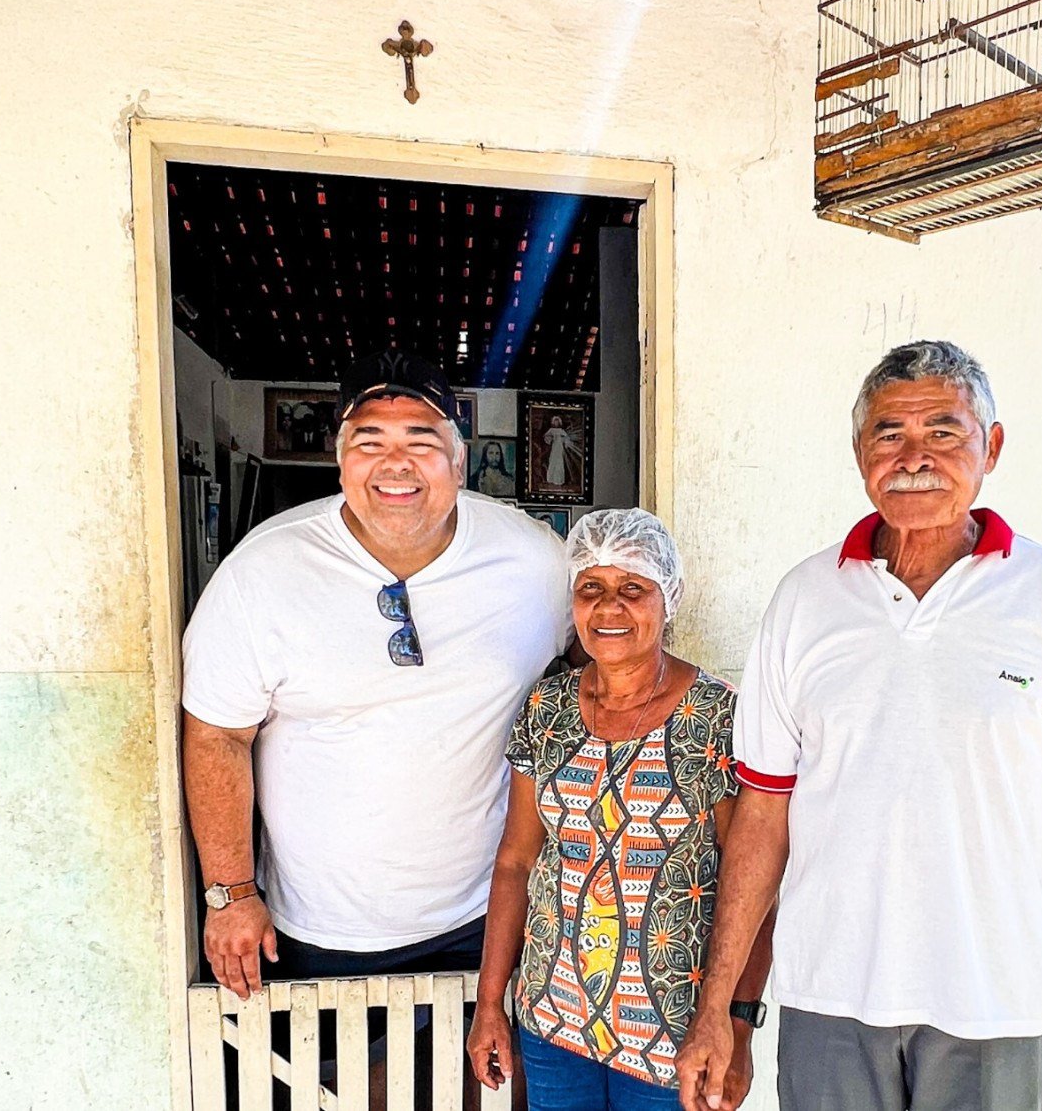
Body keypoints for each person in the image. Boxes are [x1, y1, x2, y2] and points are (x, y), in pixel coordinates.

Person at [676, 341, 1042, 1111]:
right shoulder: (804, 600)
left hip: (989, 999)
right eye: (889, 433)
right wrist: (720, 1006)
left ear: (991, 446)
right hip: (827, 993)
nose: (914, 456)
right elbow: (762, 815)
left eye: (944, 430)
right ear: (859, 452)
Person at [181, 350, 570, 1060]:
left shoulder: (534, 561)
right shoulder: (262, 573)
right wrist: (230, 891)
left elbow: (594, 680)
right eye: (370, 442)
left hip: (484, 918)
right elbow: (215, 736)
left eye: (422, 441)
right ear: (341, 461)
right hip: (318, 931)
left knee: (481, 1089)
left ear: (459, 459)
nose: (396, 464)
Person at [467, 508, 776, 1111]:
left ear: (669, 599)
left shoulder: (717, 718)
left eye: (633, 589)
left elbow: (754, 882)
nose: (609, 609)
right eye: (592, 589)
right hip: (552, 1017)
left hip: (676, 1030)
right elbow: (516, 861)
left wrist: (735, 1026)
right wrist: (489, 1004)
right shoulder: (547, 705)